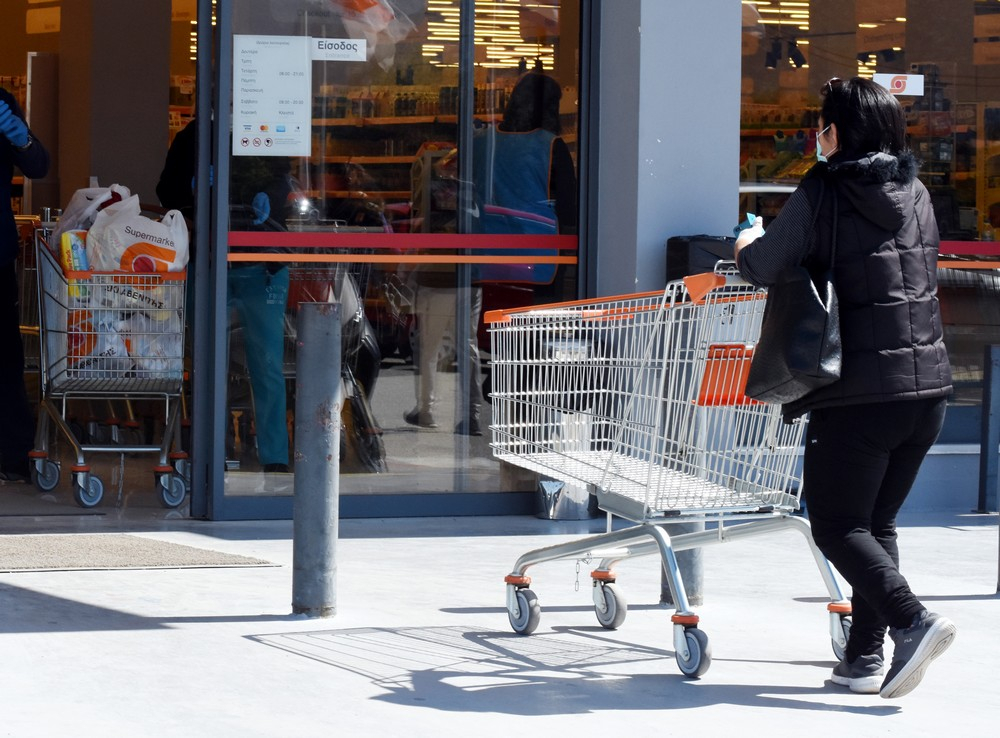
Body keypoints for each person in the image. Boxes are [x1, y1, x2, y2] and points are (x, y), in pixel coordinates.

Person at [734, 77, 956, 699]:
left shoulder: (823, 187)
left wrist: (746, 240)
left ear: (837, 132)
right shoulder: (914, 192)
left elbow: (763, 264)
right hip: (928, 393)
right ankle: (863, 657)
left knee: (835, 526)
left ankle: (913, 621)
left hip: (860, 393)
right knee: (874, 525)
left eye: (822, 124)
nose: (816, 134)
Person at [404, 72, 577, 436]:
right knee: (537, 332)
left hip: (488, 257)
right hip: (540, 260)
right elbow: (572, 206)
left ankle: (502, 376)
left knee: (497, 329)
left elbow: (460, 187)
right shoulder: (551, 145)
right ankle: (519, 394)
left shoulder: (483, 142)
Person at [157, 119, 291, 473]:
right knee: (211, 365)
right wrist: (190, 198)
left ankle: (269, 456)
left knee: (262, 365)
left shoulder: (267, 128)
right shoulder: (193, 137)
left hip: (258, 263)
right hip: (213, 262)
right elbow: (167, 190)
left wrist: (270, 200)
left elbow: (283, 182)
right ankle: (213, 447)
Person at [0, 88, 49, 482]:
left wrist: (22, 139)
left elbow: (38, 165)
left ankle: (15, 454)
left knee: (4, 358)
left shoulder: (0, 103)